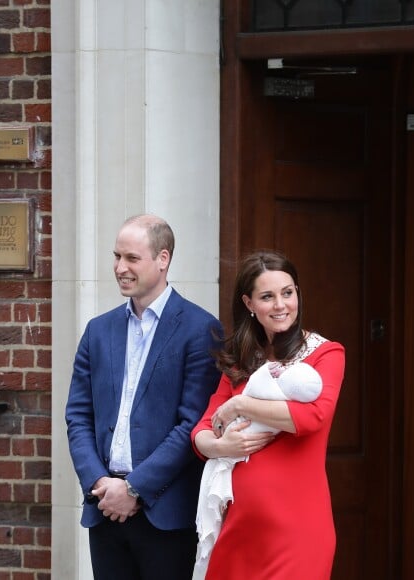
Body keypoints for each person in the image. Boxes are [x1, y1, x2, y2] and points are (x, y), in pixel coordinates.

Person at [65, 214, 223, 580]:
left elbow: (192, 425)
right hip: (104, 509)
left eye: (132, 258)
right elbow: (78, 416)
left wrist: (135, 488)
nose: (120, 267)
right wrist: (99, 483)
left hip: (164, 515)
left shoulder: (201, 330)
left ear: (163, 259)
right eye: (116, 256)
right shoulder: (97, 330)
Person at [191, 250, 345, 580]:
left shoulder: (325, 354)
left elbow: (312, 417)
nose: (281, 305)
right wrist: (221, 447)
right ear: (249, 303)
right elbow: (202, 431)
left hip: (297, 530)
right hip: (239, 530)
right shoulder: (240, 358)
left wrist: (240, 406)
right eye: (267, 296)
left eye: (288, 293)